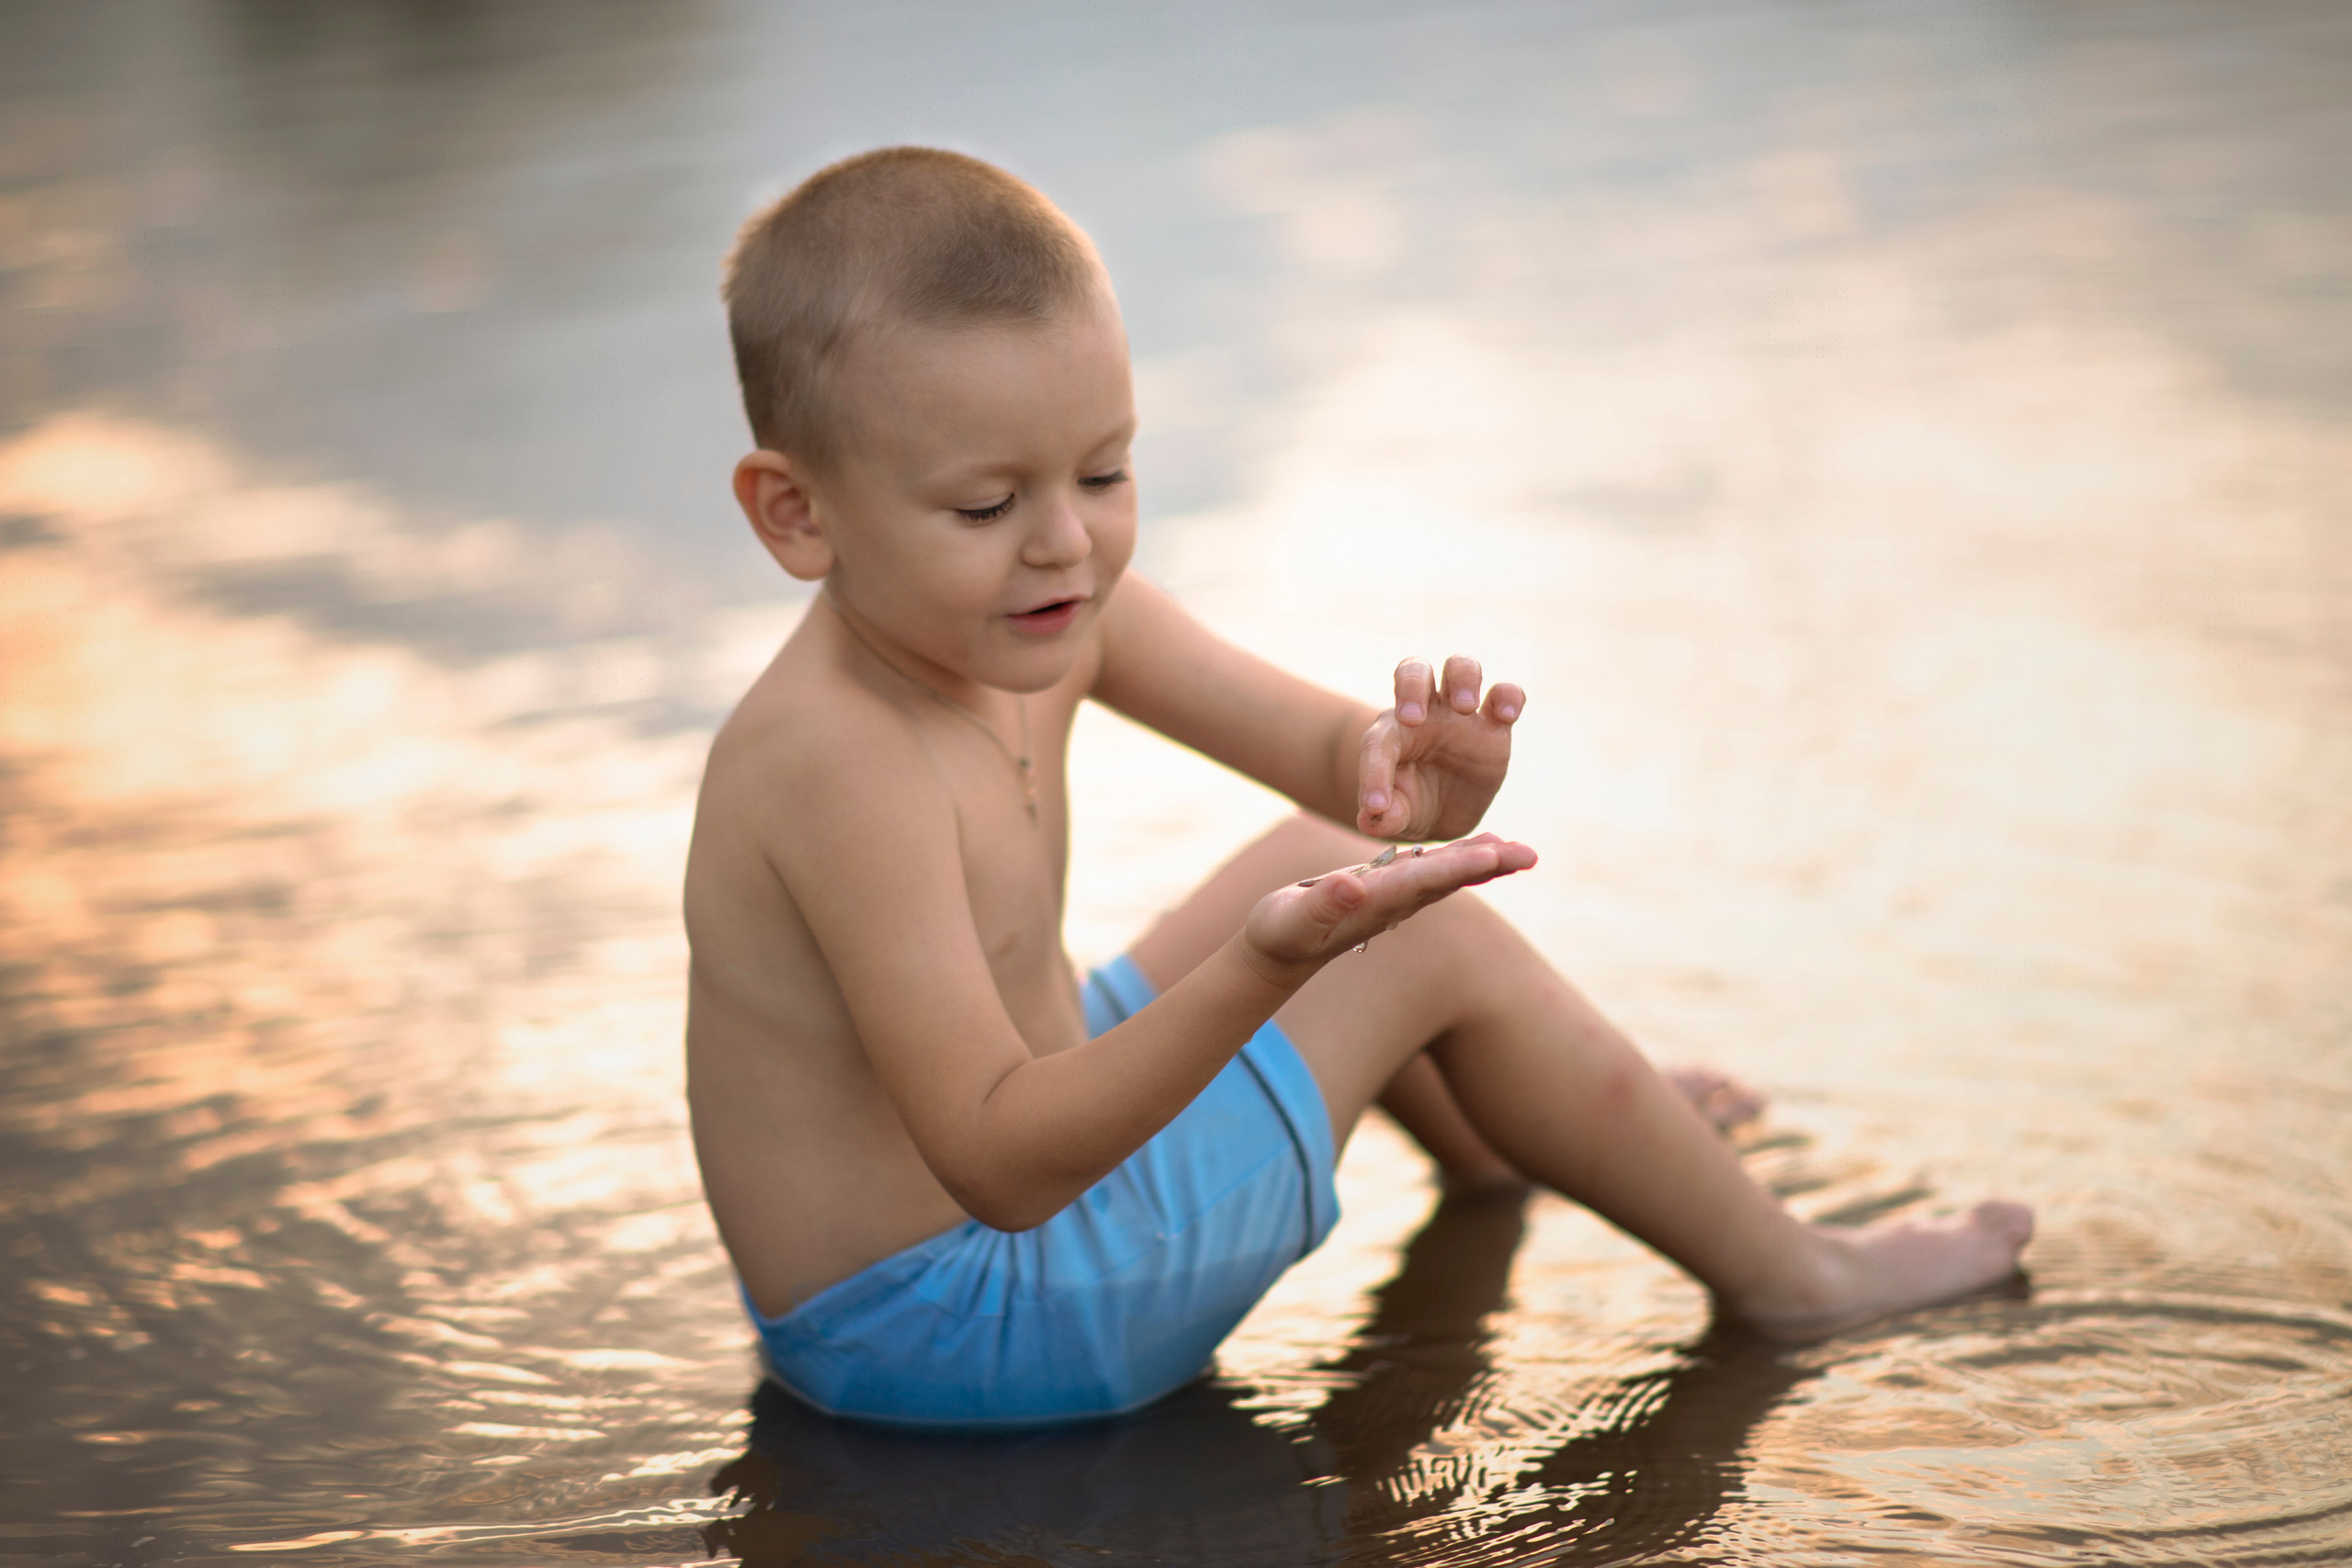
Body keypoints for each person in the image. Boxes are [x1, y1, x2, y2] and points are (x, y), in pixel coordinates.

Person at [684, 146, 2032, 1429]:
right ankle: (1797, 1277)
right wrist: (1261, 972)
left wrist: (1412, 775)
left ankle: (1526, 1122)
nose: (1065, 541)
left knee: (1344, 859)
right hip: (955, 1326)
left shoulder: (1046, 610)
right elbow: (1000, 1162)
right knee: (1401, 931)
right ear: (796, 512)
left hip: (990, 1214)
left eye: (1105, 472)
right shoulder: (836, 757)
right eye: (986, 505)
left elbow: (1345, 776)